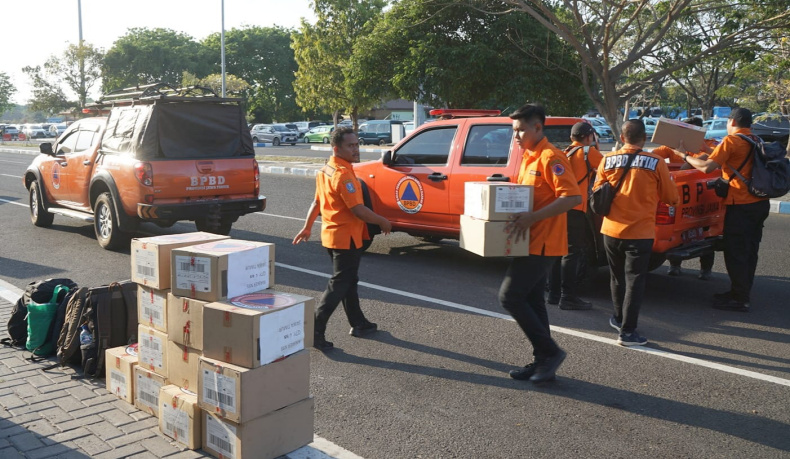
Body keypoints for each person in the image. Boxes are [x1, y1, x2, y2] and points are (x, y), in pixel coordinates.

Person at [498, 104, 582, 383]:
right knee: (533, 300)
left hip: (544, 243)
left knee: (509, 296)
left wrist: (533, 217)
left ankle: (551, 352)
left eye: (521, 130)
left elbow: (572, 197)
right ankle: (543, 362)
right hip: (527, 241)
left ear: (537, 127)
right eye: (514, 131)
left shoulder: (551, 156)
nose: (516, 136)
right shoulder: (528, 157)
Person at [293, 127, 392, 350]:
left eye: (357, 144)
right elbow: (358, 209)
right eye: (350, 146)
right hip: (346, 238)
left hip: (332, 236)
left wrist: (307, 227)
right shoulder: (342, 174)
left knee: (348, 281)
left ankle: (359, 323)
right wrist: (382, 221)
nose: (356, 149)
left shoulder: (326, 169)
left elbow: (317, 202)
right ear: (337, 149)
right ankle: (315, 330)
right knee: (338, 285)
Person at [672, 108, 769, 312]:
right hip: (759, 203)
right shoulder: (755, 140)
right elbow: (729, 160)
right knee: (750, 250)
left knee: (736, 252)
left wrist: (684, 156)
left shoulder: (731, 141)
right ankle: (741, 291)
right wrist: (705, 150)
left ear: (732, 122)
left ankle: (739, 298)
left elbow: (706, 167)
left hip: (740, 204)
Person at [593, 119, 679, 346]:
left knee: (616, 277)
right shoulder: (656, 162)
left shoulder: (607, 160)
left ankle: (618, 318)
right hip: (640, 232)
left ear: (622, 138)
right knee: (635, 281)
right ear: (645, 138)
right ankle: (628, 332)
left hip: (611, 230)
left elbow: (597, 191)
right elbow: (671, 198)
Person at [651, 117, 718, 279]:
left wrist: (686, 158)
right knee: (677, 233)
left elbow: (705, 159)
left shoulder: (710, 145)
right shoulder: (674, 146)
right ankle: (675, 265)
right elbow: (652, 155)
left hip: (704, 199)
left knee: (705, 233)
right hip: (682, 199)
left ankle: (706, 269)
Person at [546, 121, 603, 310]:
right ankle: (568, 297)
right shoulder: (588, 152)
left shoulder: (565, 152)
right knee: (572, 252)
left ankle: (553, 294)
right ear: (588, 137)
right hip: (575, 208)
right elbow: (608, 169)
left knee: (557, 251)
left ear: (572, 137)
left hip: (559, 206)